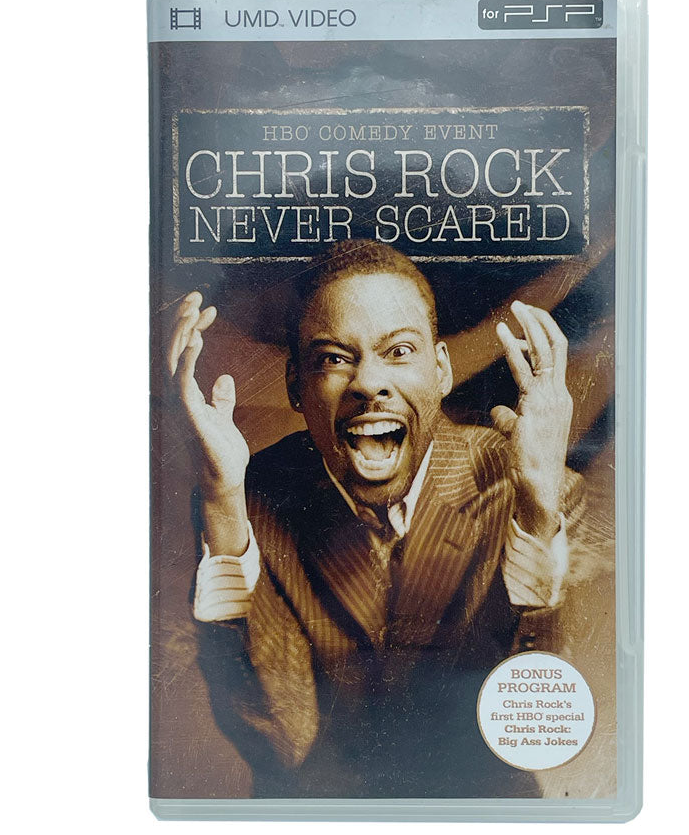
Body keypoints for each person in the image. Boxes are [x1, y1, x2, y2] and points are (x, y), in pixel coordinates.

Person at [165, 240, 582, 797]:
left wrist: (537, 504)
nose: (368, 383)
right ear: (295, 384)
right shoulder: (247, 496)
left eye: (399, 351)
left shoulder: (529, 483)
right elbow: (281, 741)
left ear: (441, 370)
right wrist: (223, 502)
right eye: (334, 359)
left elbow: (536, 721)